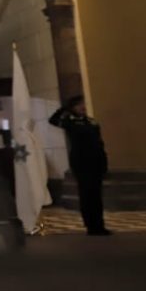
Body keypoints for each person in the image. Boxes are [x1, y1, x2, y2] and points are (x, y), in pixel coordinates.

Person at [49, 95, 110, 236]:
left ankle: (100, 225)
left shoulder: (91, 122)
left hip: (96, 162)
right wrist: (63, 109)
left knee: (96, 196)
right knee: (86, 195)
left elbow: (99, 142)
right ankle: (91, 226)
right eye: (78, 105)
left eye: (83, 104)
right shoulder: (70, 122)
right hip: (82, 163)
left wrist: (104, 161)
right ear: (72, 108)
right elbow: (53, 120)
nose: (82, 107)